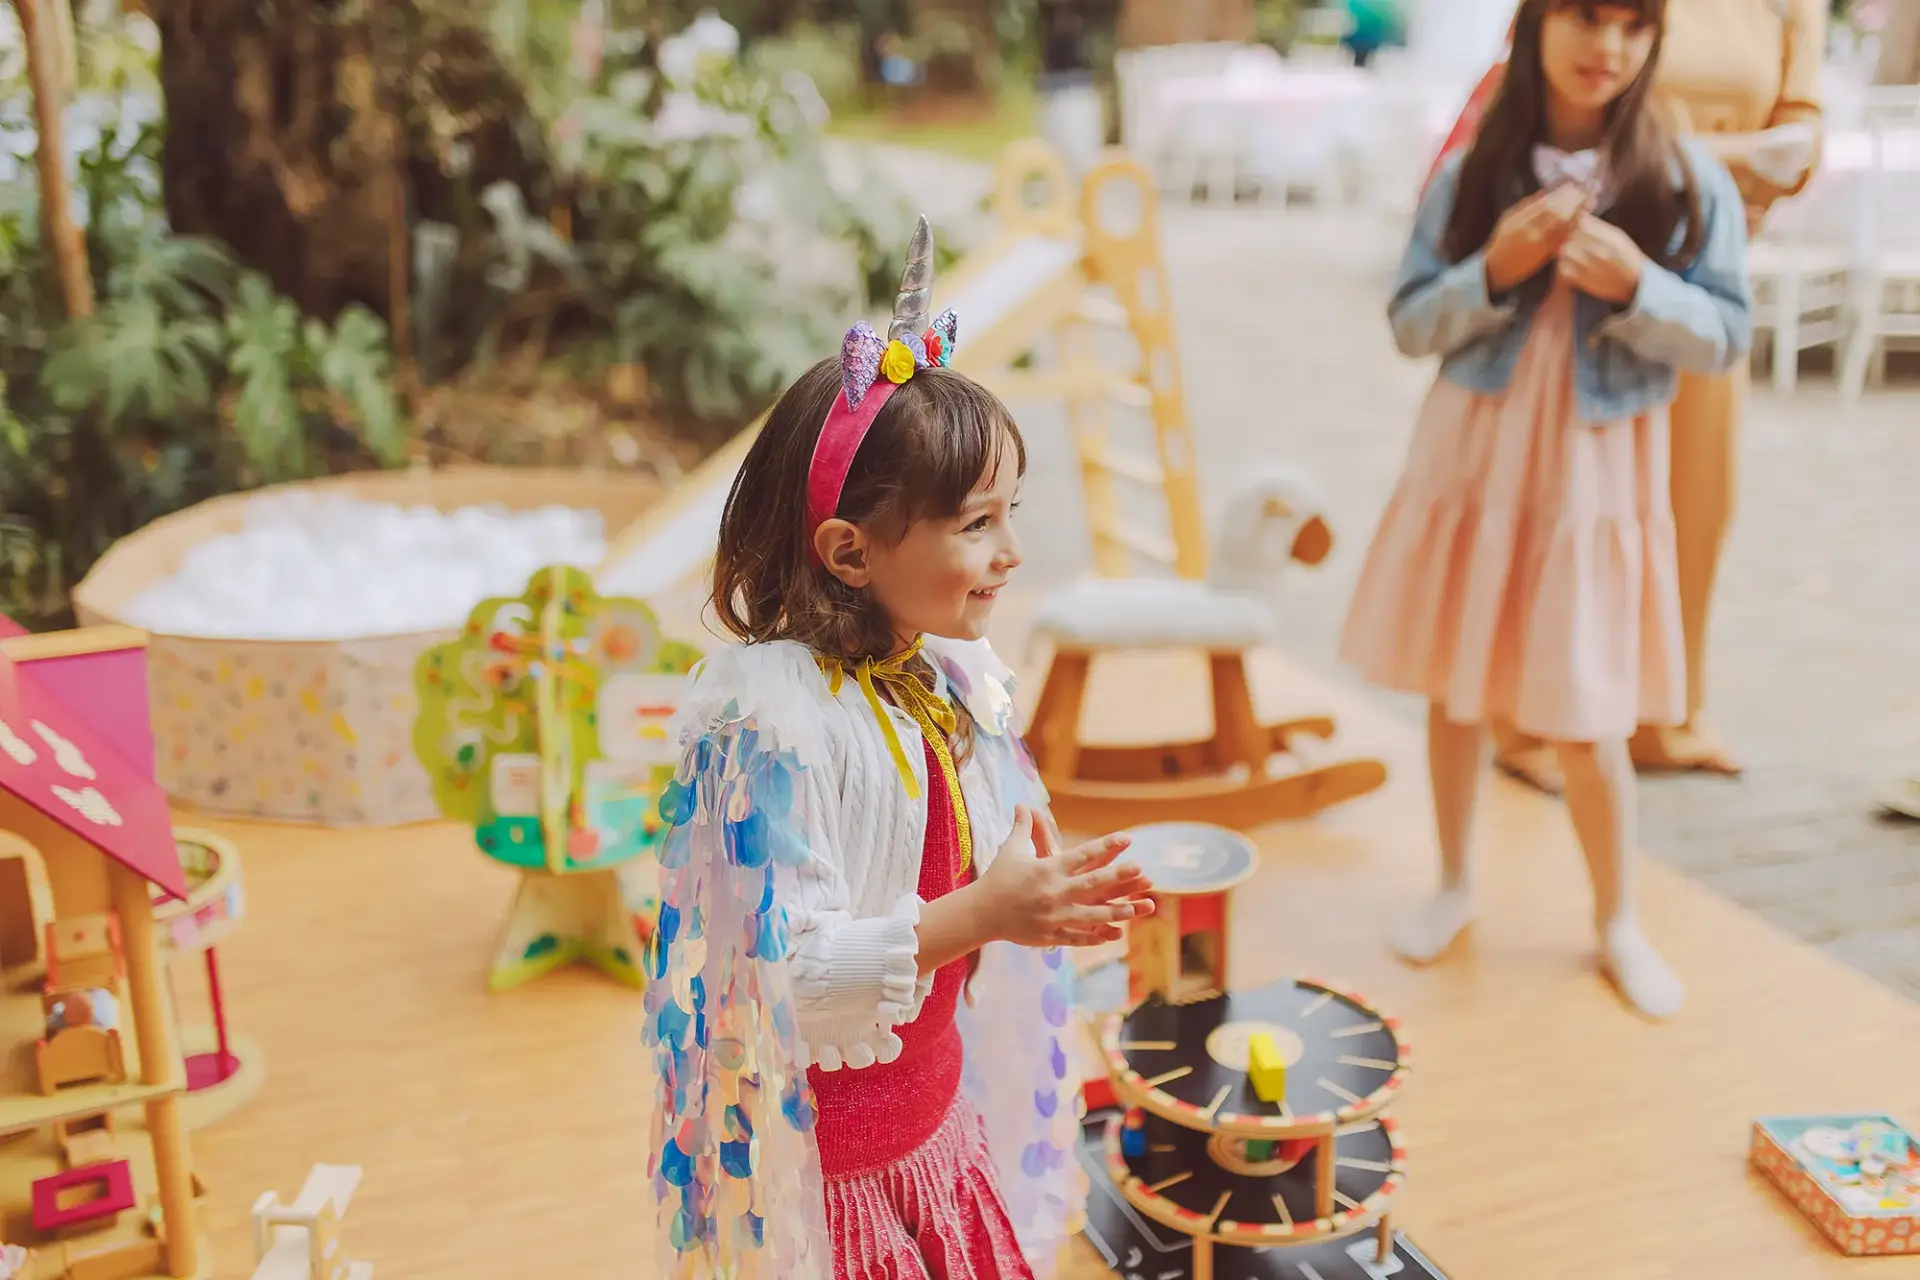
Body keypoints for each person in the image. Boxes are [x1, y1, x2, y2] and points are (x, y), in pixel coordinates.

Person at [643, 218, 1155, 1279]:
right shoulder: (772, 722)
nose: (1012, 553)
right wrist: (989, 912)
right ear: (849, 551)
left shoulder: (943, 671)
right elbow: (775, 974)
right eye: (977, 523)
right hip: (837, 1183)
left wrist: (1044, 888)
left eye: (1013, 512)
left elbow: (967, 844)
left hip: (935, 1126)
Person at [1338, 0, 1753, 1018]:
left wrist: (1640, 285)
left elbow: (1728, 334)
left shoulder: (1685, 175)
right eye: (1583, 15)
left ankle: (1617, 919)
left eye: (1631, 24)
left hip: (1596, 476)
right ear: (1535, 24)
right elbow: (1408, 318)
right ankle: (1451, 883)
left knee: (1589, 704)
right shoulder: (1476, 165)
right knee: (1456, 681)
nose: (1604, 45)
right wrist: (1495, 269)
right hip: (1474, 458)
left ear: (1654, 40)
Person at [1434, 0, 1823, 792]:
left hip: (1695, 271)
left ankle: (1662, 715)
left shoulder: (1790, 8)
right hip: (1563, 274)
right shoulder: (1617, 11)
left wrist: (1685, 159)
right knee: (1556, 495)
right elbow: (1534, 84)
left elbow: (1802, 145)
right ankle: (1531, 713)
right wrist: (1717, 158)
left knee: (1697, 500)